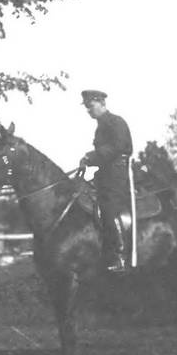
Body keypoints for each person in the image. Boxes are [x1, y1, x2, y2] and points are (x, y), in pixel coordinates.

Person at [79, 90, 133, 272]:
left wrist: (92, 156)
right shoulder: (100, 126)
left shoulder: (116, 122)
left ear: (102, 103)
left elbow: (119, 147)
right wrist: (88, 160)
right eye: (86, 107)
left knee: (108, 207)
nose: (88, 110)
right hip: (105, 172)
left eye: (91, 106)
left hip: (118, 172)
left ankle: (120, 255)